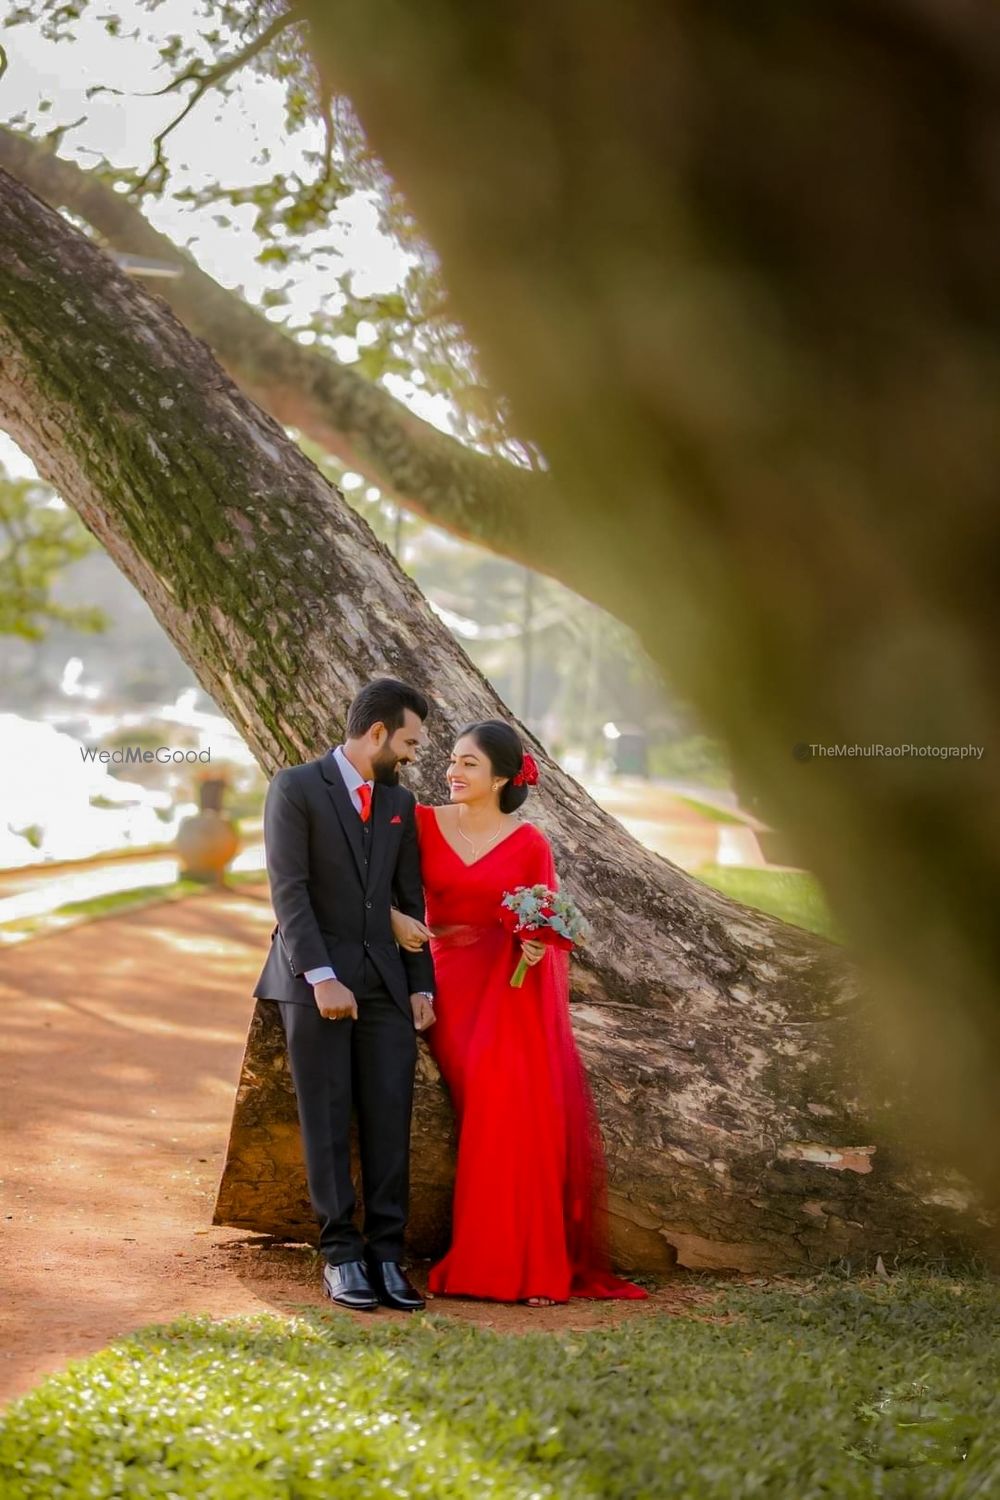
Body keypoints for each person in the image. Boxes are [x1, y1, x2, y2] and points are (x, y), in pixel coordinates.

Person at [392, 719, 647, 1306]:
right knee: (486, 1081)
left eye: (468, 764)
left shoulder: (530, 842)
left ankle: (527, 1264)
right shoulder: (424, 822)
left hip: (507, 986)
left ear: (502, 777)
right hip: (443, 978)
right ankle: (494, 1260)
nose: (452, 771)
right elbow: (388, 894)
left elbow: (543, 928)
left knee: (517, 1090)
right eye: (452, 761)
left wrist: (535, 943)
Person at [253, 678, 436, 1313]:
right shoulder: (295, 788)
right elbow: (291, 892)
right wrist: (322, 976)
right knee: (327, 1119)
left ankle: (387, 1253)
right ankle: (340, 1256)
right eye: (409, 741)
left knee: (390, 1116)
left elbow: (408, 901)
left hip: (386, 982)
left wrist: (422, 986)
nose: (413, 755)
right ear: (377, 733)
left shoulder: (399, 804)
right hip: (315, 982)